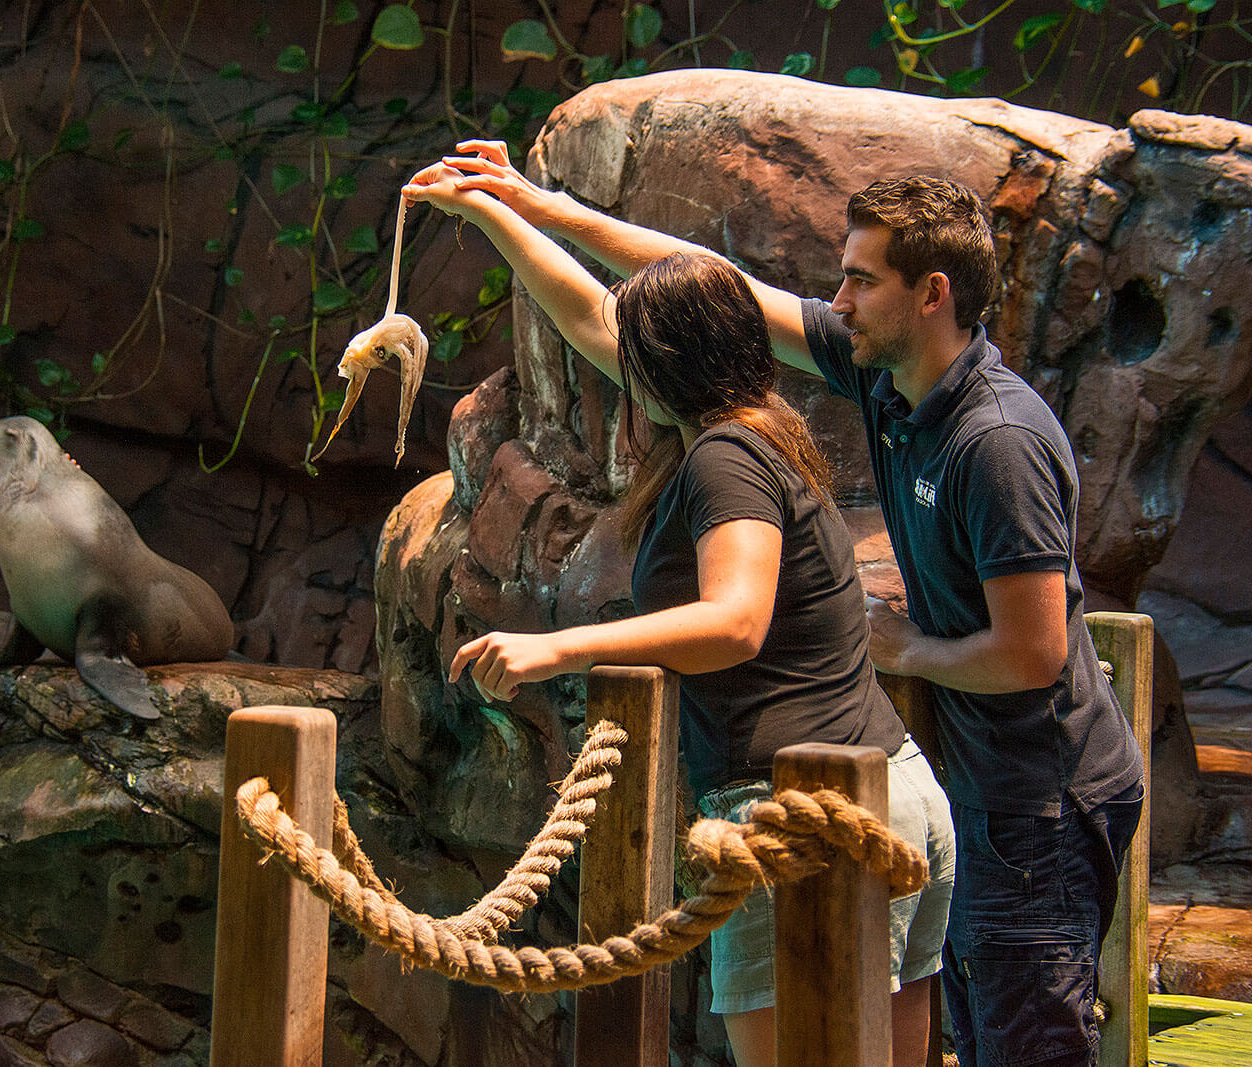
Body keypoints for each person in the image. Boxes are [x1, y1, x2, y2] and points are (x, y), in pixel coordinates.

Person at [429, 141, 1145, 1067]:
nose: (836, 301)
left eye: (858, 280)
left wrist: (558, 649)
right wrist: (521, 209)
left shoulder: (981, 440)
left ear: (931, 294)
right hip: (913, 785)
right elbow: (651, 305)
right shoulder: (863, 392)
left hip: (1002, 795)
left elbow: (1021, 652)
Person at [405, 166, 954, 1067]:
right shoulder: (754, 424)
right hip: (891, 793)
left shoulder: (723, 459)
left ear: (660, 366)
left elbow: (734, 621)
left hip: (808, 819)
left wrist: (557, 647)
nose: (611, 356)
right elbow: (587, 312)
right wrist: (496, 210)